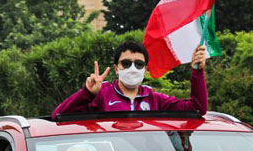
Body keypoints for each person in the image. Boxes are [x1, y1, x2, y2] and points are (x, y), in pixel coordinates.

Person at [53, 39, 208, 118]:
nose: (132, 68)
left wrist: (197, 72)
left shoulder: (154, 98)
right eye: (126, 63)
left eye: (139, 64)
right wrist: (87, 93)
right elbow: (58, 116)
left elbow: (197, 109)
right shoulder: (101, 93)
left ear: (146, 69)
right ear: (116, 68)